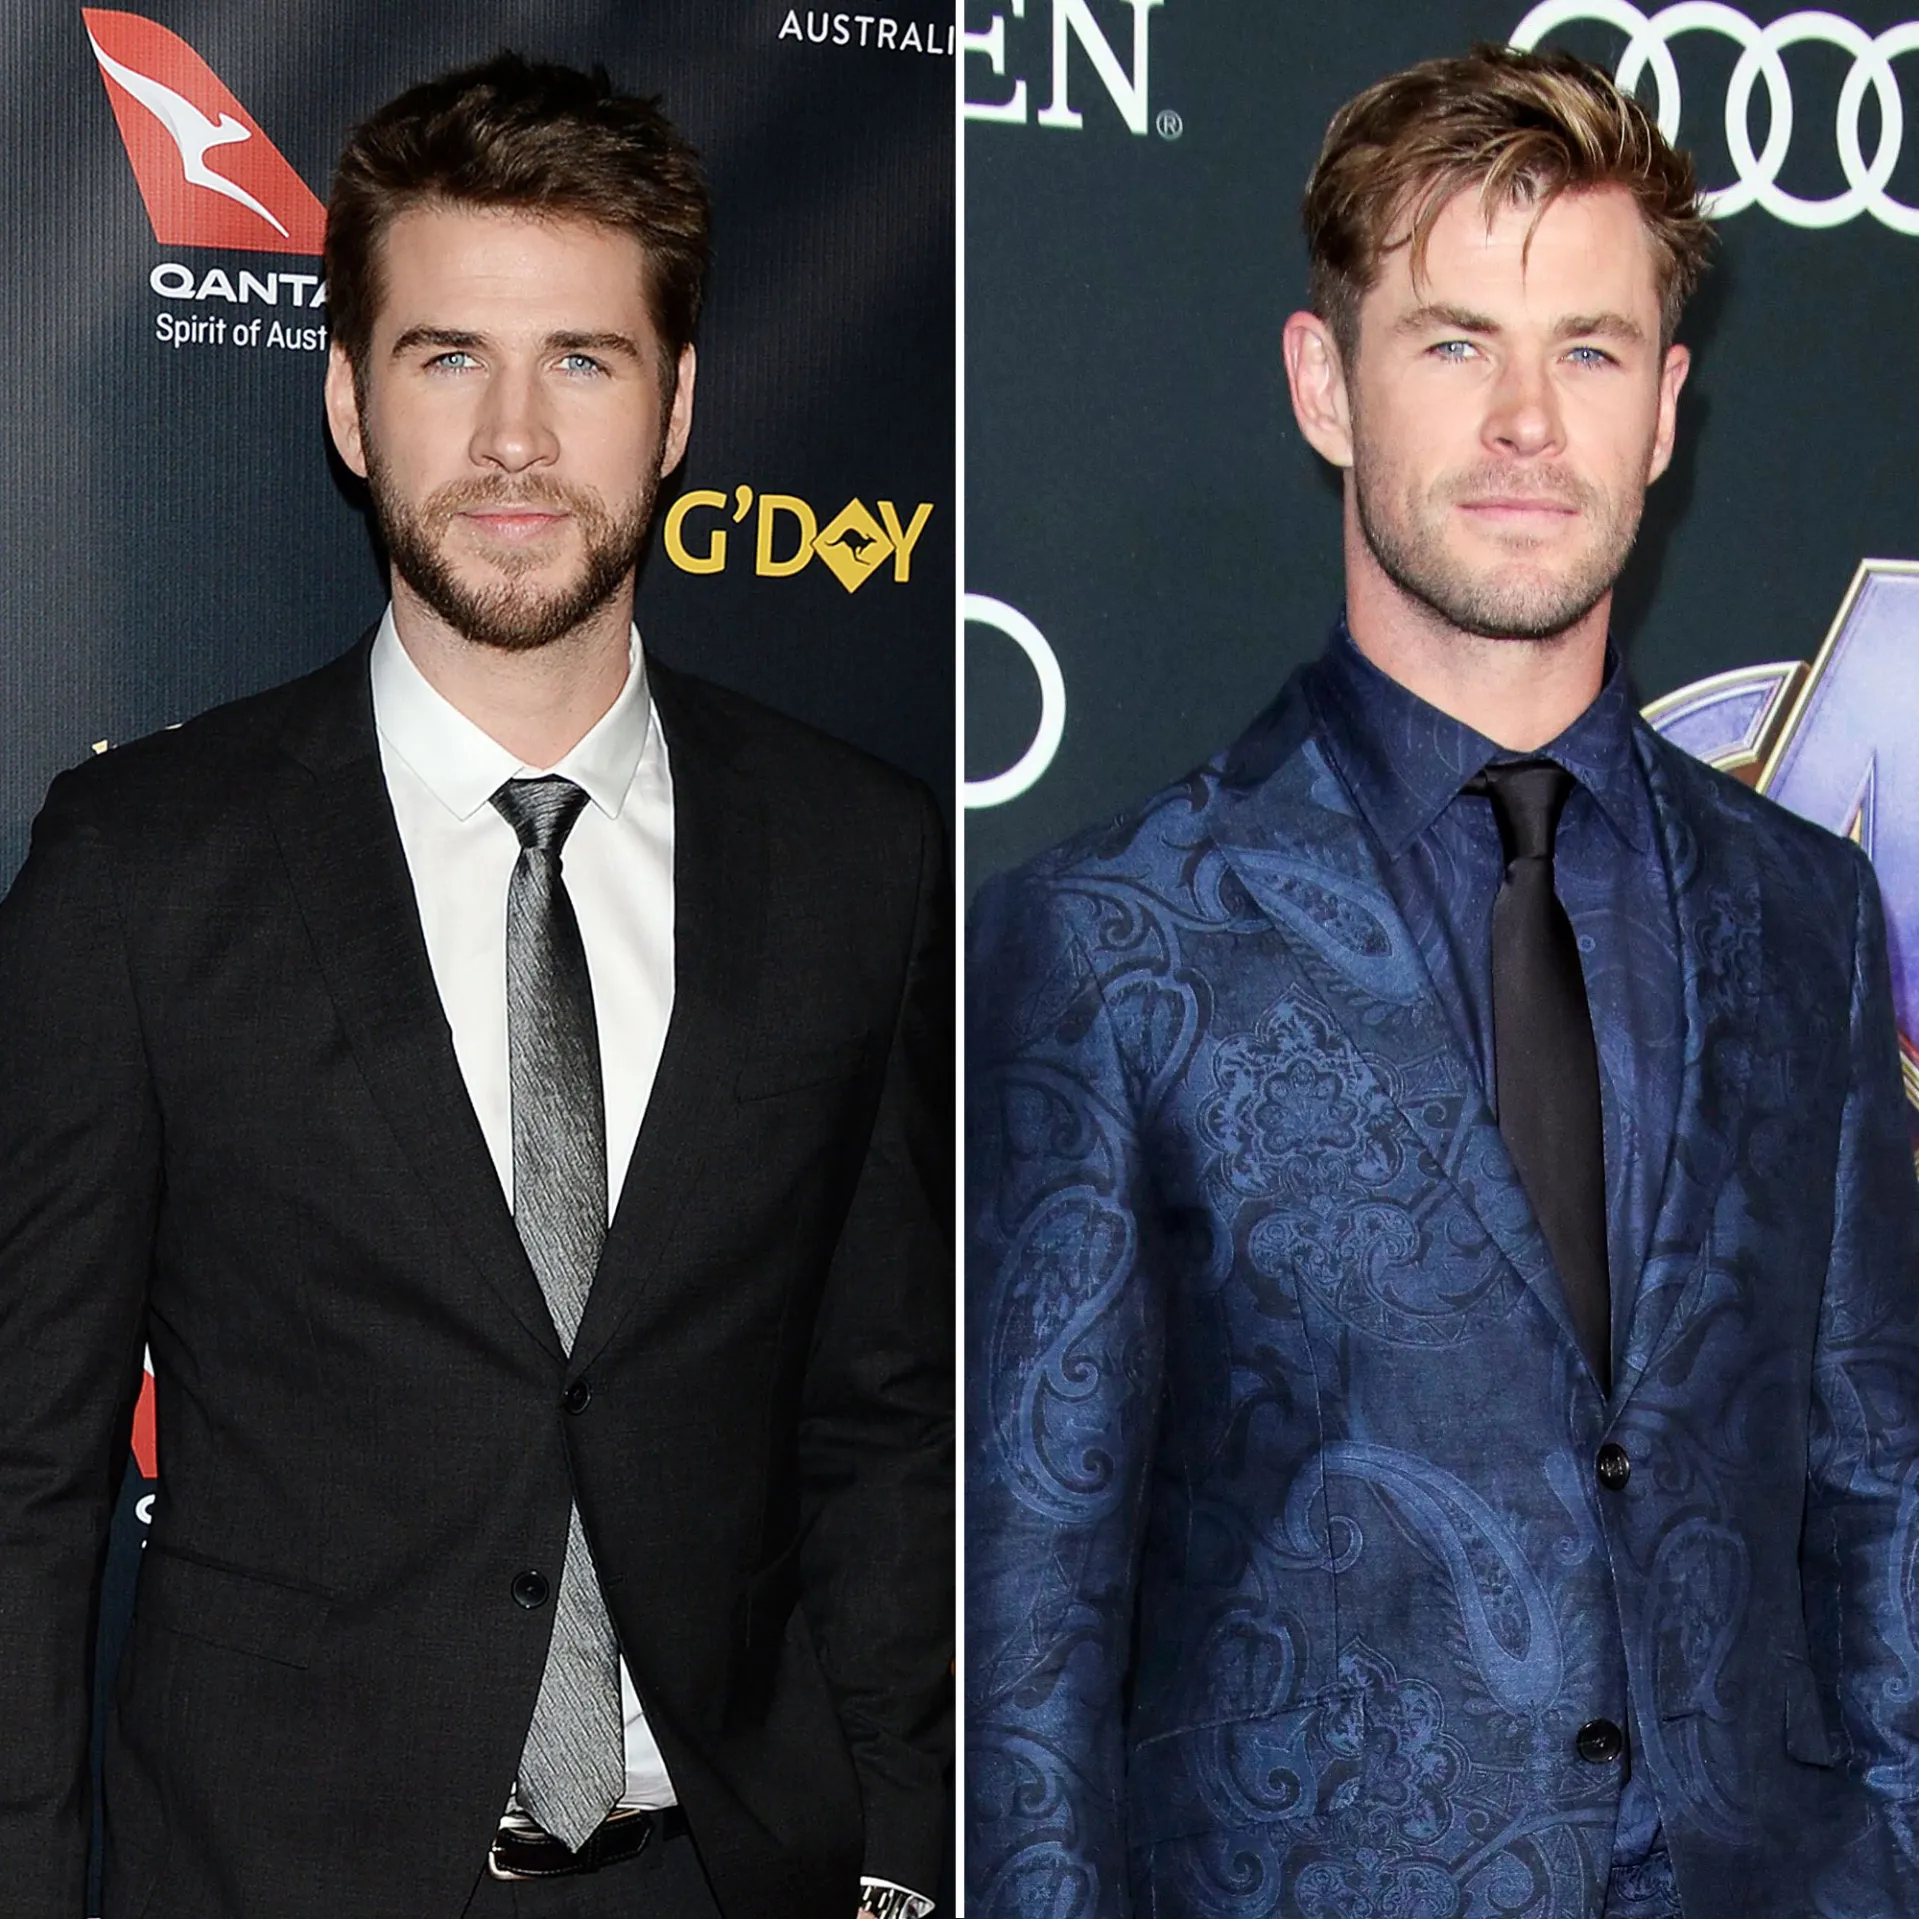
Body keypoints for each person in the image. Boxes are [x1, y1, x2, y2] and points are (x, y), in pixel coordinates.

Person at [966, 43, 1919, 1919]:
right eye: (1453, 341)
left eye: (1587, 351)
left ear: (1664, 409)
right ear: (1324, 384)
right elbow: (1031, 1637)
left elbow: (1879, 1488)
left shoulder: (1805, 907)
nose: (1525, 423)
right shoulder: (1110, 936)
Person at [0, 53, 950, 1919]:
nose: (514, 440)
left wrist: (907, 1871)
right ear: (347, 401)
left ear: (678, 406)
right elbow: (27, 1479)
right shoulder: (140, 867)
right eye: (448, 359)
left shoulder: (856, 852)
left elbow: (885, 1424)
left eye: (581, 361)